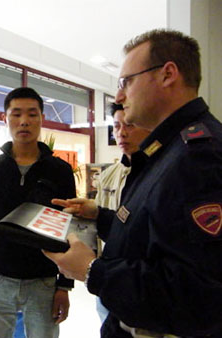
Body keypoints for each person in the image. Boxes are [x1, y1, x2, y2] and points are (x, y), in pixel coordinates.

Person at [44, 29, 222, 337]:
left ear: (168, 74)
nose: (120, 97)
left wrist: (92, 271)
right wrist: (100, 216)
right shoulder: (165, 150)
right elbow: (152, 239)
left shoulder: (199, 156)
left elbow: (199, 296)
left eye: (127, 81)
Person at [0, 87, 76, 338]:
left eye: (32, 114)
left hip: (44, 280)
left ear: (42, 119)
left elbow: (69, 229)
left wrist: (64, 286)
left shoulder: (60, 171)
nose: (24, 121)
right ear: (5, 119)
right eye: (16, 114)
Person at [94, 102, 150, 323]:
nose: (122, 133)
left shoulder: (157, 173)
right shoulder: (108, 175)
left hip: (141, 275)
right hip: (109, 267)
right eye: (116, 126)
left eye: (130, 125)